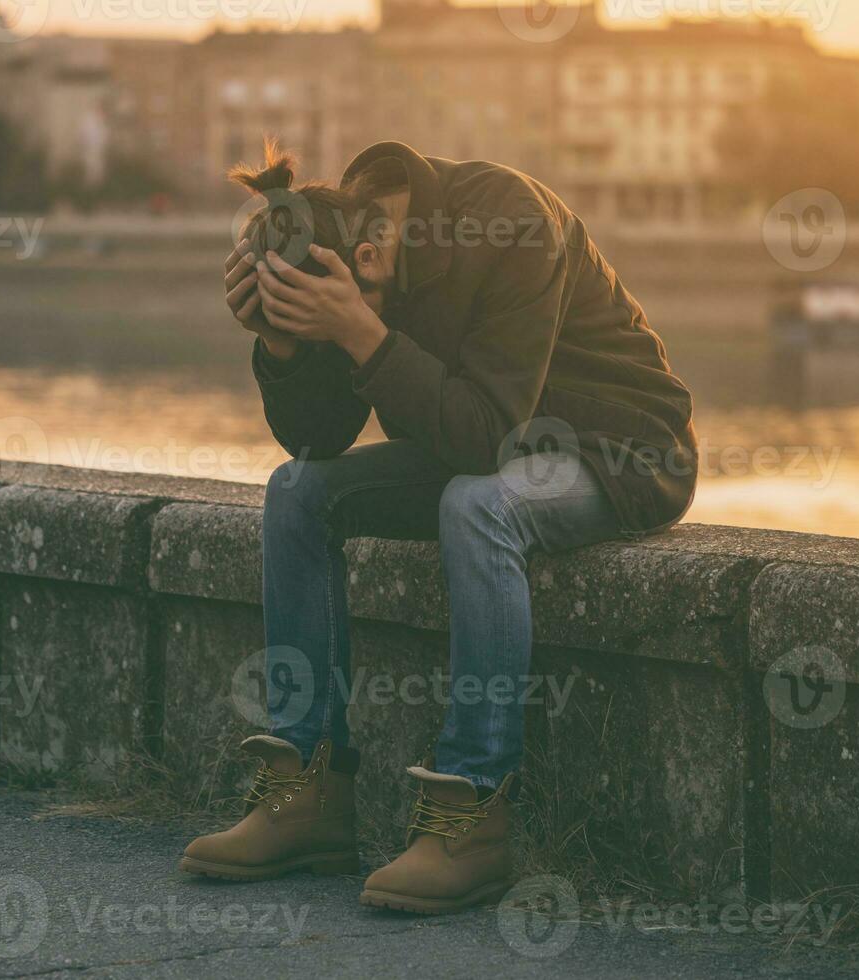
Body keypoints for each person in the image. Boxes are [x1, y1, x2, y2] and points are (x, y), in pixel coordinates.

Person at [180, 139, 697, 914]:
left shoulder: (513, 221)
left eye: (353, 300)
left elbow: (486, 436)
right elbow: (316, 440)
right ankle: (307, 793)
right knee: (297, 492)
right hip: (484, 446)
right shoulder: (346, 252)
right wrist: (283, 341)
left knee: (477, 506)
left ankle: (471, 817)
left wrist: (359, 330)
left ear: (367, 253)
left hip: (616, 449)